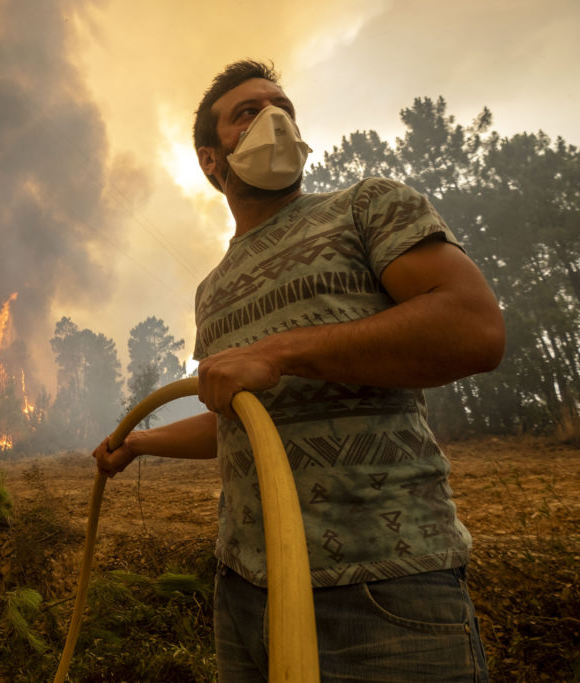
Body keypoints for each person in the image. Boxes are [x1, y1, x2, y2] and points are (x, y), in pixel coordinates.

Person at [92, 60, 504, 682]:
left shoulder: (366, 207)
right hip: (244, 591)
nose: (274, 120)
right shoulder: (213, 292)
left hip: (387, 589)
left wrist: (281, 352)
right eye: (249, 112)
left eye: (282, 107)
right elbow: (241, 421)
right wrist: (139, 443)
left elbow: (475, 328)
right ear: (211, 159)